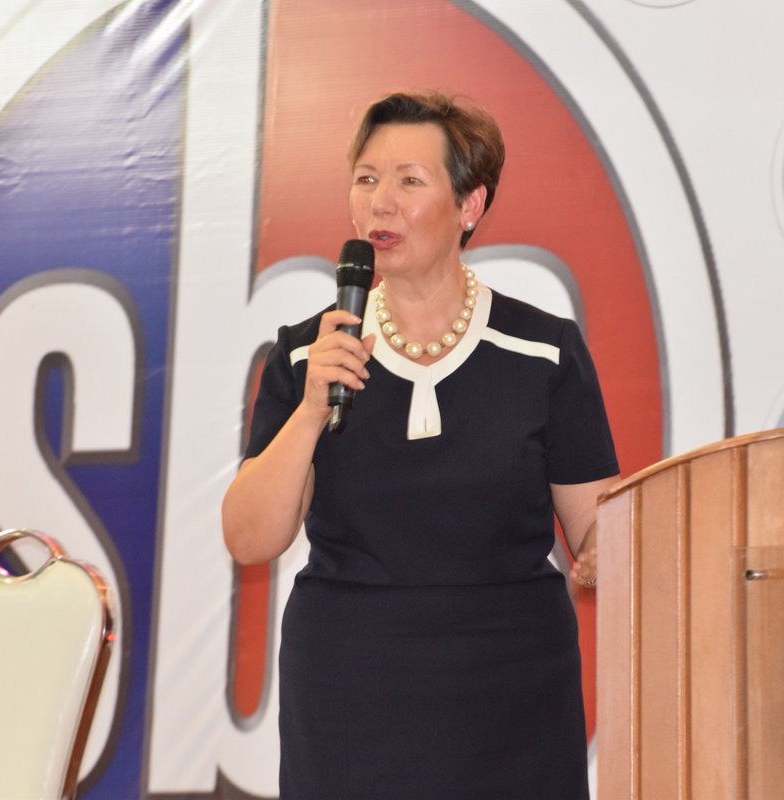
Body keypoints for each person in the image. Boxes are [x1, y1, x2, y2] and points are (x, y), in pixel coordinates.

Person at [222, 90, 619, 799]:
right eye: (367, 179)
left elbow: (599, 535)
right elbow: (250, 538)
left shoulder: (543, 351)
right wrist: (312, 409)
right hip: (350, 695)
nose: (381, 202)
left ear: (470, 206)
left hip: (514, 695)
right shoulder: (305, 356)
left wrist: (610, 554)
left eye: (410, 180)